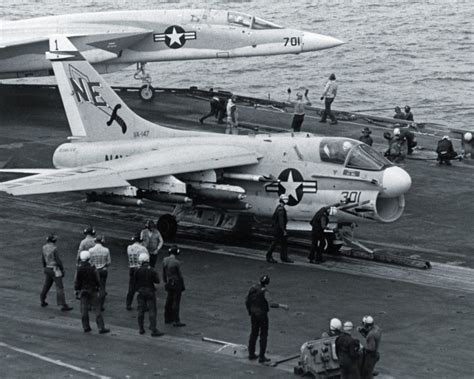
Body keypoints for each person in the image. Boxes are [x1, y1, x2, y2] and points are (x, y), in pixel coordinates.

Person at [245, 275, 289, 364]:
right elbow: (271, 304)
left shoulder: (252, 288)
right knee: (263, 335)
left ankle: (251, 353)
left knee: (253, 333)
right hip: (262, 315)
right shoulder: (264, 291)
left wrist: (249, 311)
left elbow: (247, 300)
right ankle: (261, 356)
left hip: (254, 314)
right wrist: (282, 306)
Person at [75, 251, 110, 334]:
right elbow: (97, 279)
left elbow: (77, 280)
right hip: (92, 289)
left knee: (84, 309)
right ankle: (101, 327)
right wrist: (98, 287)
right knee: (97, 309)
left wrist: (77, 289)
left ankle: (86, 326)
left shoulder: (79, 268)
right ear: (88, 258)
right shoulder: (92, 267)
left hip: (83, 290)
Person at [40, 234, 73, 311]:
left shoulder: (44, 247)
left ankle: (42, 299)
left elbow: (43, 259)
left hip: (48, 268)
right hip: (55, 269)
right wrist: (62, 269)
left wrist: (45, 267)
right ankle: (63, 305)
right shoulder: (54, 248)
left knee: (47, 285)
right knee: (59, 287)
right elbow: (58, 260)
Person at [134, 252, 164, 337]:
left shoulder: (137, 270)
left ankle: (141, 328)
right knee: (152, 310)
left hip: (141, 291)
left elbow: (134, 281)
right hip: (150, 291)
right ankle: (153, 329)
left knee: (140, 310)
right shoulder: (152, 270)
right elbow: (157, 281)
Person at [162, 245, 186, 327]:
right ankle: (176, 320)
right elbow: (180, 275)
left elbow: (164, 273)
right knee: (176, 301)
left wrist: (165, 281)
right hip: (176, 283)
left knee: (169, 300)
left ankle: (167, 318)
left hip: (169, 281)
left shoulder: (165, 260)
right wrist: (182, 285)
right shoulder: (176, 262)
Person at [266, 194, 293, 263]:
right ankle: (269, 256)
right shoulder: (281, 209)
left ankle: (284, 257)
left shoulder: (279, 207)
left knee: (283, 243)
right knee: (275, 243)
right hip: (279, 229)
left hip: (278, 228)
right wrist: (284, 230)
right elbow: (281, 221)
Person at [126, 233, 148, 310]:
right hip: (139, 268)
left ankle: (128, 304)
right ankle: (142, 305)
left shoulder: (129, 247)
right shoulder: (143, 249)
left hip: (131, 268)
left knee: (131, 287)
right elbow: (147, 259)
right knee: (142, 287)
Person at [89, 235, 111, 311]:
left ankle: (91, 304)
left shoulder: (91, 250)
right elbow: (109, 262)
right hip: (103, 270)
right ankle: (101, 305)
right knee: (102, 287)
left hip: (94, 270)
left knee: (92, 287)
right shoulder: (106, 250)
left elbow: (89, 262)